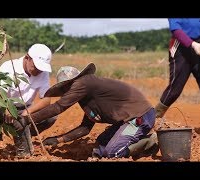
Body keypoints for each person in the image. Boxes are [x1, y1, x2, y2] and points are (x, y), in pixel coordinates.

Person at [16, 63, 158, 159]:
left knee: (110, 152)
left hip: (138, 119)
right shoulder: (87, 98)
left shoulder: (84, 82)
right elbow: (85, 128)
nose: (67, 93)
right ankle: (135, 142)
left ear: (70, 84)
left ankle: (147, 143)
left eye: (66, 89)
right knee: (101, 141)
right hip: (128, 121)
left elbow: (58, 107)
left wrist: (27, 119)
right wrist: (57, 140)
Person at [155, 18, 200, 138]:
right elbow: (175, 29)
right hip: (181, 48)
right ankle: (153, 119)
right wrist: (192, 44)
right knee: (175, 89)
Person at [0, 43, 57, 157]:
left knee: (51, 116)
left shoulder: (43, 73)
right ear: (27, 58)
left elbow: (47, 100)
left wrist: (28, 112)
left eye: (41, 68)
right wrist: (8, 108)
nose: (38, 71)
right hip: (2, 105)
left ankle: (25, 136)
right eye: (36, 66)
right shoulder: (9, 66)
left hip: (25, 108)